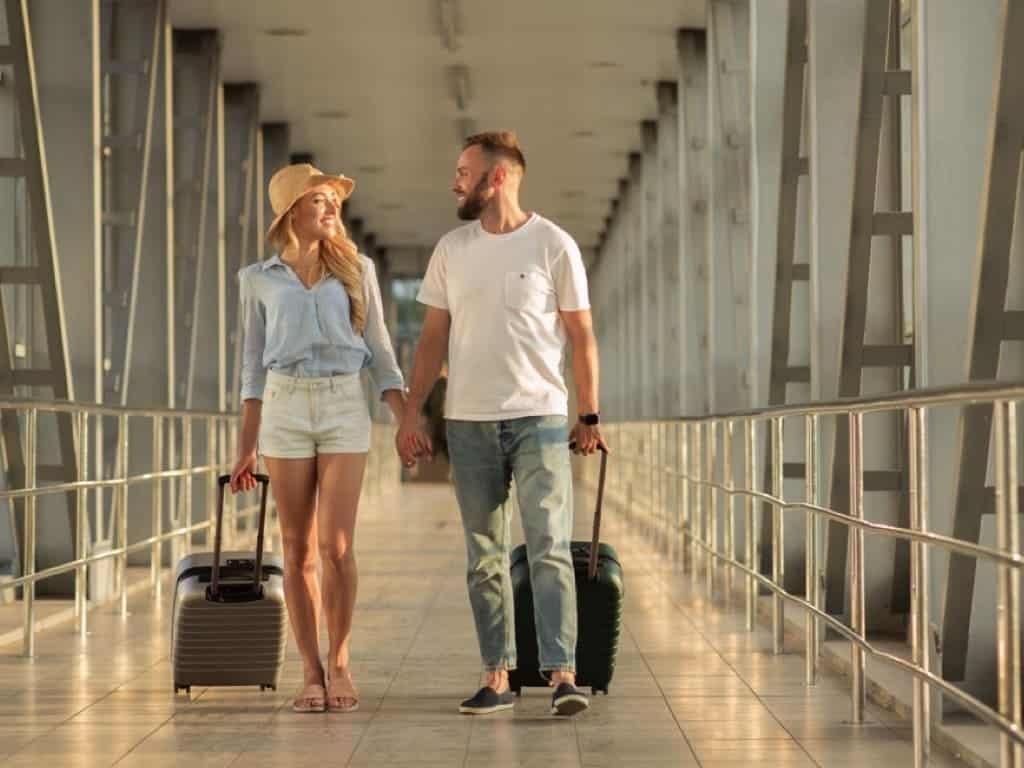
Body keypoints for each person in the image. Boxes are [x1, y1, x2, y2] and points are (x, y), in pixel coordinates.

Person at [396, 131, 608, 717]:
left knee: (547, 546)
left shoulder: (553, 244)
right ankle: (497, 676)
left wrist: (587, 414)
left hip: (539, 418)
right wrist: (411, 411)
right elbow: (432, 338)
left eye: (464, 171)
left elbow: (581, 334)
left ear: (499, 177)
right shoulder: (451, 249)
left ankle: (563, 674)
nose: (455, 181)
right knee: (484, 554)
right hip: (468, 422)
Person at [230, 163, 406, 714]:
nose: (332, 211)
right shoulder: (257, 279)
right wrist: (245, 446)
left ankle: (341, 661)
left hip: (341, 405)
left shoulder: (358, 268)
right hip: (283, 406)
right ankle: (309, 670)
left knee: (337, 546)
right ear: (290, 215)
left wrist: (407, 419)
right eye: (319, 202)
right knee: (298, 549)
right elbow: (253, 366)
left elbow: (379, 350)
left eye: (334, 202)